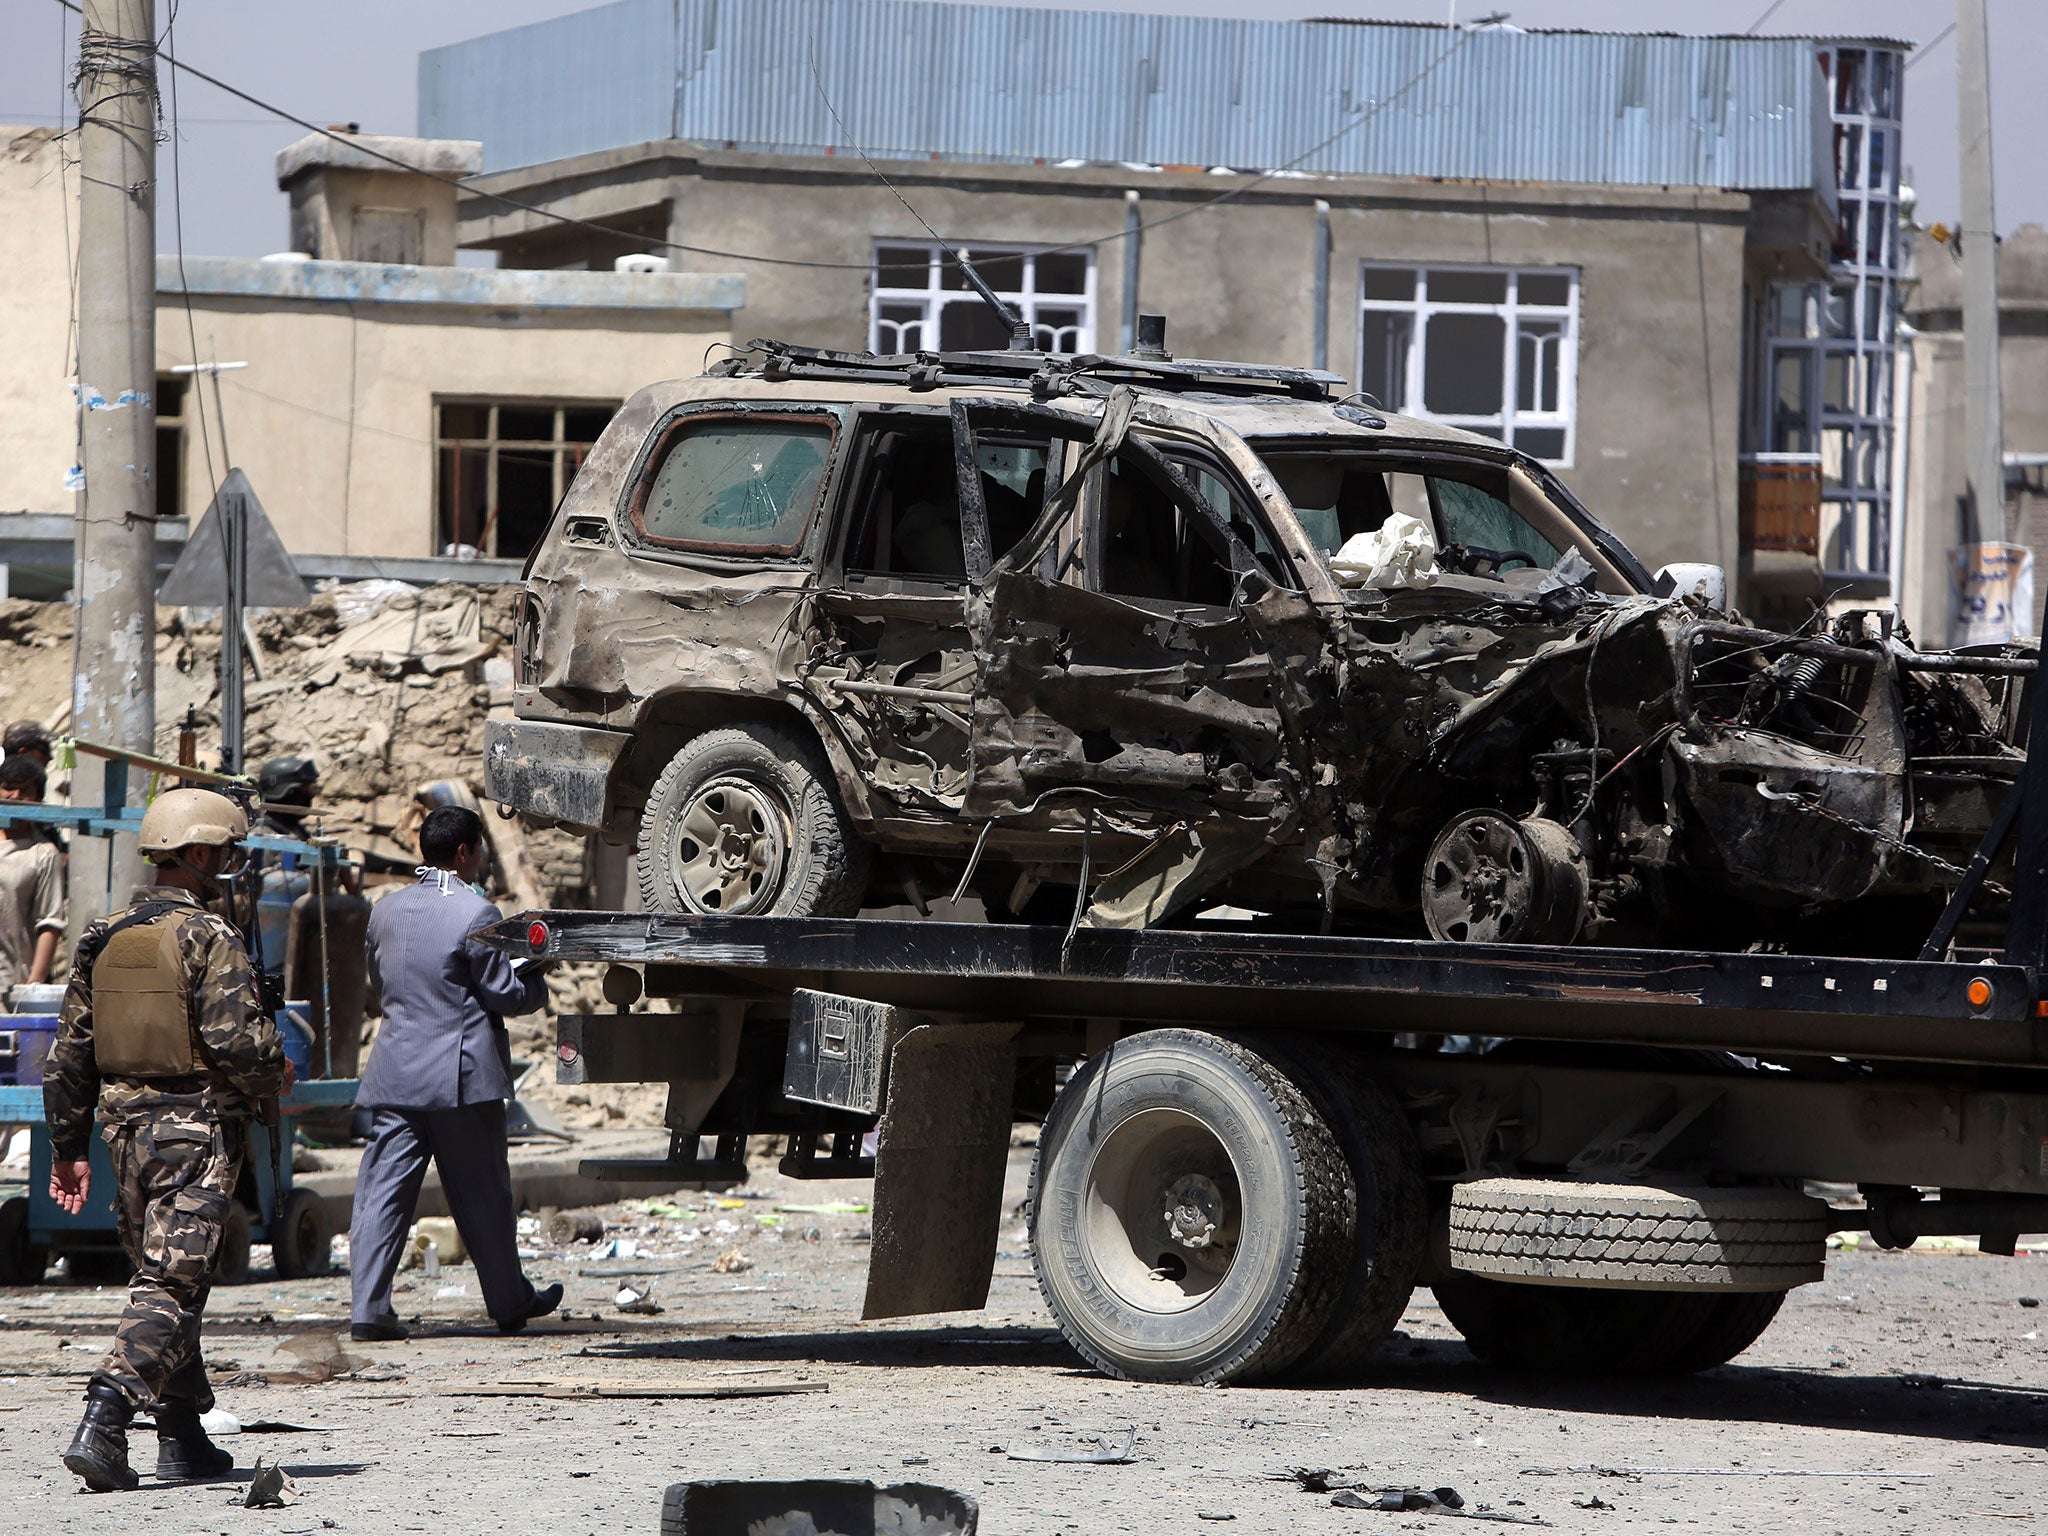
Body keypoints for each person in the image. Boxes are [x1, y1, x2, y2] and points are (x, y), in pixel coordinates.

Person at [43, 788, 293, 1492]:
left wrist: (66, 1147)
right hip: (195, 1132)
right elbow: (236, 1041)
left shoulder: (103, 934)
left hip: (125, 1138)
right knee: (172, 1287)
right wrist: (278, 1069)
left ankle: (182, 1437)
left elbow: (69, 1055)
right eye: (225, 853)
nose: (229, 866)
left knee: (166, 1281)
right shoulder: (208, 936)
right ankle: (106, 1416)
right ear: (200, 853)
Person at [347, 805, 560, 1342]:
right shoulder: (476, 912)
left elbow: (382, 981)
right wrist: (538, 980)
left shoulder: (385, 911)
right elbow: (504, 993)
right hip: (461, 1077)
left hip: (395, 1074)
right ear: (465, 853)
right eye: (482, 849)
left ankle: (369, 1311)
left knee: (381, 1194)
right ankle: (510, 1302)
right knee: (483, 1195)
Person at [0, 754, 64, 997]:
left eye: (24, 790)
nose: (14, 797)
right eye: (7, 788)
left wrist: (32, 986)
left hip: (9, 986)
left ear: (38, 799)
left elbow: (50, 922)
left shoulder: (43, 855)